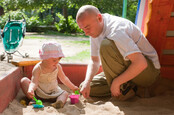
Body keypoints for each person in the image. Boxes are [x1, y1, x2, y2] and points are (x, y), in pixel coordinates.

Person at [76, 5, 160, 100]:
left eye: (87, 27)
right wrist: (87, 82)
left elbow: (141, 63)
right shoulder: (95, 29)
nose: (86, 33)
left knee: (106, 45)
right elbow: (94, 60)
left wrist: (117, 82)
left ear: (99, 18)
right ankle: (131, 88)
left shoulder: (116, 31)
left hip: (148, 72)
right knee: (86, 87)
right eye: (82, 29)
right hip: (127, 67)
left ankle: (124, 89)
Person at [20, 42, 79, 108]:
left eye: (59, 59)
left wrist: (73, 87)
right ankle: (33, 99)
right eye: (54, 60)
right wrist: (31, 89)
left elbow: (64, 79)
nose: (57, 62)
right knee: (24, 80)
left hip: (54, 93)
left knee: (65, 94)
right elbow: (34, 82)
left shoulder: (57, 67)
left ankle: (59, 103)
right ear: (44, 58)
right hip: (39, 93)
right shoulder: (38, 68)